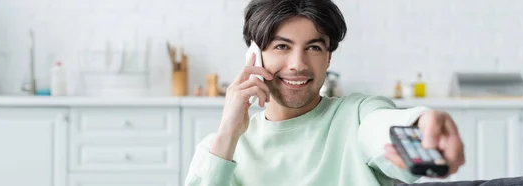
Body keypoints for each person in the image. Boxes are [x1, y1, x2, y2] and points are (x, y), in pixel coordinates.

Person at [184, 0, 467, 185]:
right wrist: (227, 134)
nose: (298, 64)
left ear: (328, 58)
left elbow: (381, 127)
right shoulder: (221, 148)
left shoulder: (357, 115)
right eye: (282, 46)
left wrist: (418, 125)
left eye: (314, 47)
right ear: (255, 56)